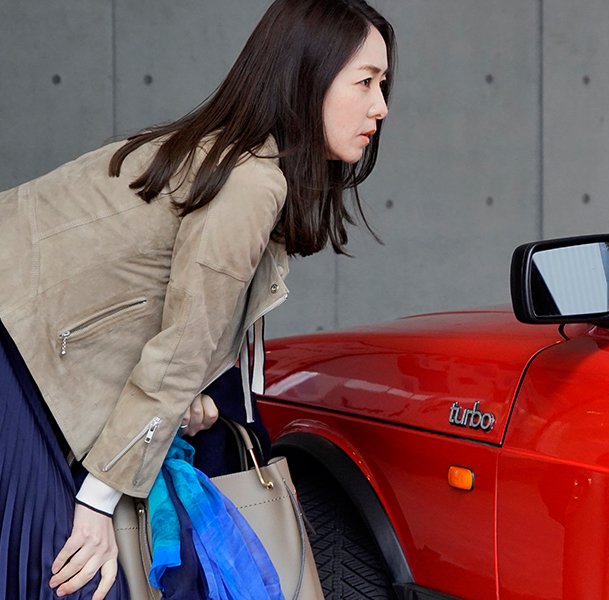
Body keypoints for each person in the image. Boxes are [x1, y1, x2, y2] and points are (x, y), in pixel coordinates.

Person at [0, 0, 393, 597]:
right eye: (364, 82)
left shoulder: (221, 155)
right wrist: (99, 499)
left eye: (383, 84)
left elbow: (155, 318)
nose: (380, 106)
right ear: (307, 78)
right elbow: (181, 345)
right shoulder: (250, 179)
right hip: (16, 357)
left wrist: (192, 402)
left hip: (30, 358)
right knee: (67, 576)